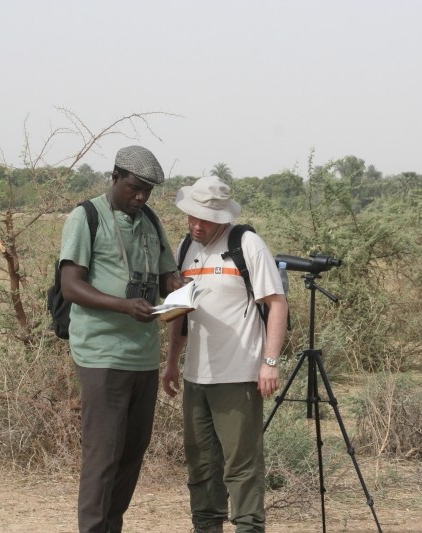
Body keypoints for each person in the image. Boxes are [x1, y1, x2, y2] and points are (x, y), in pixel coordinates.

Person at [58, 145, 187, 533]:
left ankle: (112, 525)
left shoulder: (150, 220)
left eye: (148, 190)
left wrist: (183, 289)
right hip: (102, 353)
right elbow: (71, 286)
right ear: (115, 177)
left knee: (132, 451)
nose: (141, 197)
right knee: (103, 453)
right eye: (134, 187)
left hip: (143, 355)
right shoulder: (87, 216)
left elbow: (167, 277)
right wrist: (123, 306)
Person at [162, 176, 289, 533]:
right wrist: (172, 362)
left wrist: (270, 361)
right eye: (191, 216)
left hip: (238, 376)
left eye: (203, 219)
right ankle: (206, 527)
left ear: (222, 216)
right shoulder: (186, 247)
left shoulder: (246, 244)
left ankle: (249, 527)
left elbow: (277, 304)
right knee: (200, 464)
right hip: (195, 377)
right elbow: (180, 312)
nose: (195, 224)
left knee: (241, 467)